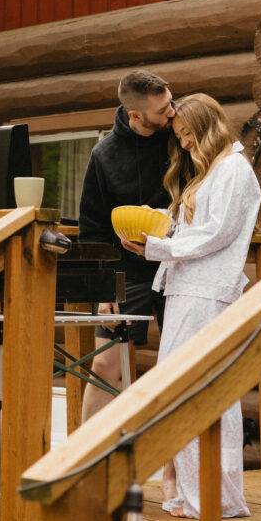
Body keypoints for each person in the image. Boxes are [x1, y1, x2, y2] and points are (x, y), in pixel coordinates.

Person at [122, 93, 261, 519]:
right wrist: (157, 225)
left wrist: (158, 247)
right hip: (188, 289)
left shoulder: (234, 168)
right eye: (179, 136)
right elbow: (196, 229)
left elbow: (217, 233)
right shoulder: (212, 170)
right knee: (184, 390)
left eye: (187, 134)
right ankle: (194, 491)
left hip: (207, 293)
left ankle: (215, 496)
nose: (183, 143)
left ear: (207, 127)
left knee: (203, 390)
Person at [78, 69, 175, 423]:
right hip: (127, 271)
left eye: (171, 103)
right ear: (135, 115)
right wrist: (103, 288)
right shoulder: (103, 155)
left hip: (178, 265)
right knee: (105, 365)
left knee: (182, 362)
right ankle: (87, 452)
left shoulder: (180, 137)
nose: (172, 112)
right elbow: (92, 230)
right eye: (162, 110)